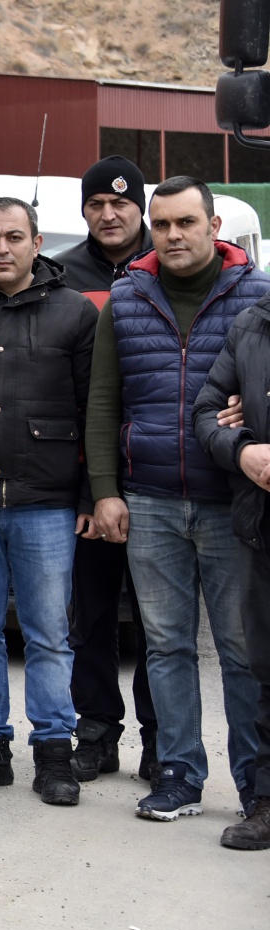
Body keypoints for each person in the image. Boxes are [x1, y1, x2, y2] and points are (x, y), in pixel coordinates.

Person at [87, 175, 268, 821]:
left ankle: (256, 785)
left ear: (213, 227)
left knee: (244, 649)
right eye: (161, 224)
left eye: (186, 223)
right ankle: (180, 774)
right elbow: (105, 401)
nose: (173, 235)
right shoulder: (128, 296)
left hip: (233, 503)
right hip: (153, 501)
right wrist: (106, 491)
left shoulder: (259, 295)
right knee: (164, 645)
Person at [0, 196, 98, 805]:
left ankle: (56, 752)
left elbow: (95, 412)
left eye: (14, 237)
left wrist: (88, 494)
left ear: (37, 243)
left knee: (49, 635)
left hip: (47, 503)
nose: (2, 248)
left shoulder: (76, 314)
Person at [55, 155, 158, 783]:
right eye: (97, 203)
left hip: (156, 474)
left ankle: (159, 737)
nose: (109, 213)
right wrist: (84, 488)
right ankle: (95, 734)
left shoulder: (165, 267)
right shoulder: (62, 274)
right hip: (86, 476)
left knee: (157, 622)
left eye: (121, 203)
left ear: (139, 207)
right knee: (90, 616)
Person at [195, 288, 270, 849]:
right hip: (260, 525)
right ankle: (266, 802)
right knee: (264, 670)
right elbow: (206, 409)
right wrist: (241, 447)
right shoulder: (253, 326)